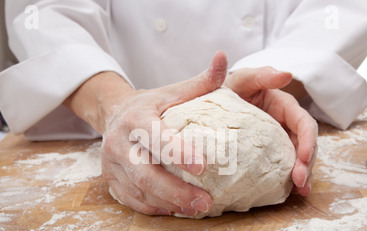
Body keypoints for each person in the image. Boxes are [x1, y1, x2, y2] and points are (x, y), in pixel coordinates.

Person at [1, 1, 366, 217]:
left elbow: (338, 9)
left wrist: (269, 80)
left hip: (270, 104)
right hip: (113, 91)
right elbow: (45, 11)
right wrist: (115, 104)